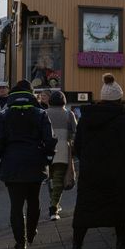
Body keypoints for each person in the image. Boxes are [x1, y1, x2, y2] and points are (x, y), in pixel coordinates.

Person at [71, 74, 125, 249]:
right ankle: (121, 239)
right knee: (118, 204)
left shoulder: (86, 119)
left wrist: (87, 159)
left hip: (90, 172)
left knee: (85, 208)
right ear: (118, 99)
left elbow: (77, 146)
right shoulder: (121, 120)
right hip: (114, 172)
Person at [0, 80, 56, 249]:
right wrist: (48, 157)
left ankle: (20, 242)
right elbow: (49, 139)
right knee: (34, 201)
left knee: (16, 206)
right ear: (30, 94)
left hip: (11, 165)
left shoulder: (4, 115)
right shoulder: (40, 113)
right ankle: (32, 232)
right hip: (35, 163)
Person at [45, 91, 77, 221]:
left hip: (46, 151)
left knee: (51, 179)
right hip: (63, 150)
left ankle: (54, 204)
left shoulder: (44, 113)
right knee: (58, 179)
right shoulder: (69, 114)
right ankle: (53, 208)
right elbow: (76, 132)